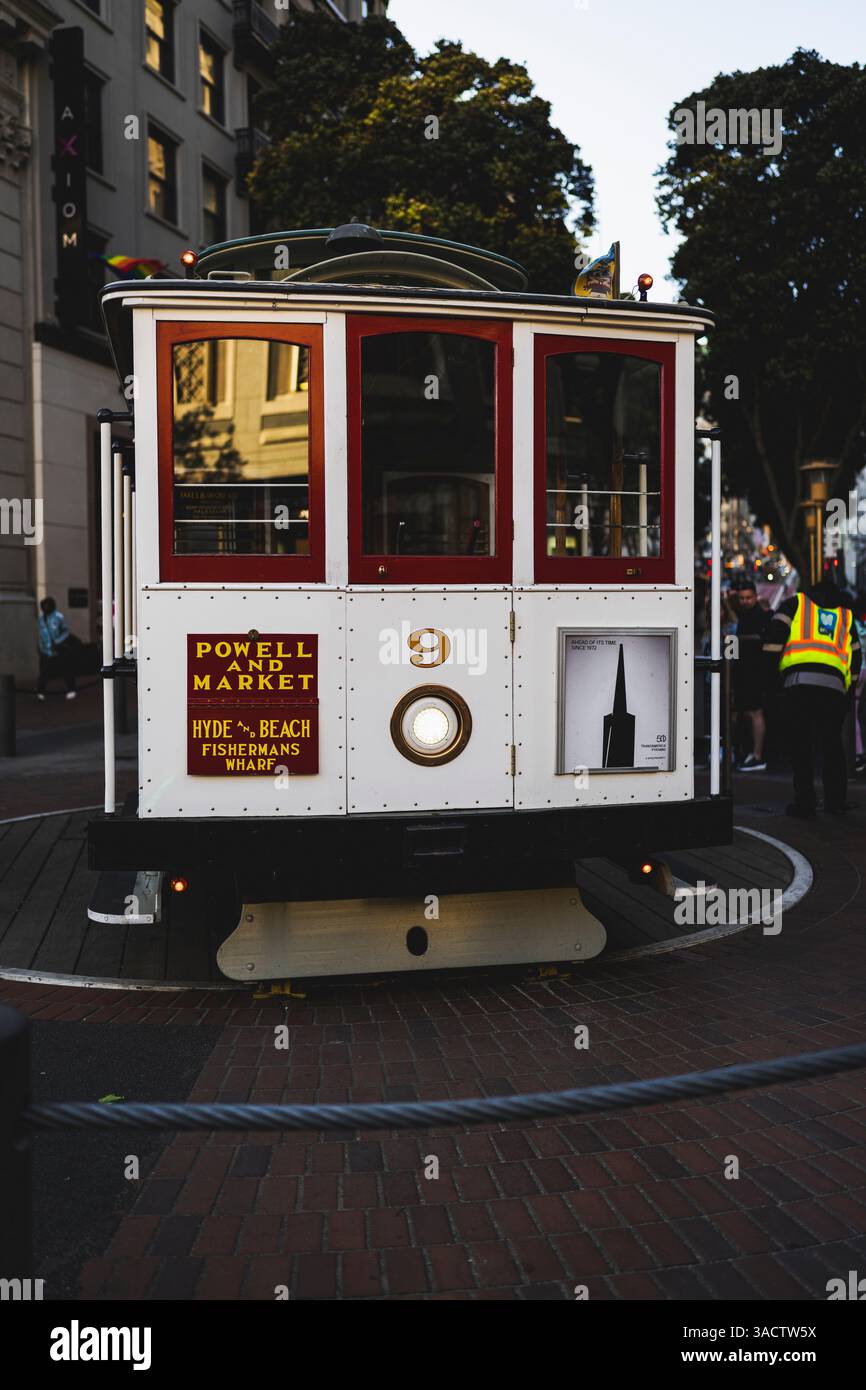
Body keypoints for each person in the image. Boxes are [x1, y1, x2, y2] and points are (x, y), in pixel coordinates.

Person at [763, 577, 861, 817]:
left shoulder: (795, 604)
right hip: (835, 687)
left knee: (801, 744)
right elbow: (855, 657)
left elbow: (773, 642)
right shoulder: (846, 616)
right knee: (832, 745)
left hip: (799, 684)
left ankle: (805, 803)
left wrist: (772, 680)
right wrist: (850, 688)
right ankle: (835, 802)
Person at [731, 578, 771, 771]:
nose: (745, 601)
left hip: (754, 672)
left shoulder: (758, 617)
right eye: (741, 598)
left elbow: (760, 639)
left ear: (755, 596)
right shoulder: (746, 615)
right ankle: (753, 753)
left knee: (754, 712)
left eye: (748, 597)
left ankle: (757, 755)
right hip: (747, 672)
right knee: (749, 713)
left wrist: (735, 639)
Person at [37, 596, 77, 700]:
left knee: (66, 669)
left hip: (59, 649)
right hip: (46, 650)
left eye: (47, 605)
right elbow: (41, 634)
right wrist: (41, 647)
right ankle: (41, 691)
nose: (45, 607)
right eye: (44, 605)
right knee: (44, 672)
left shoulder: (59, 617)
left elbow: (66, 631)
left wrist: (58, 641)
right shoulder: (41, 619)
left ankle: (71, 689)